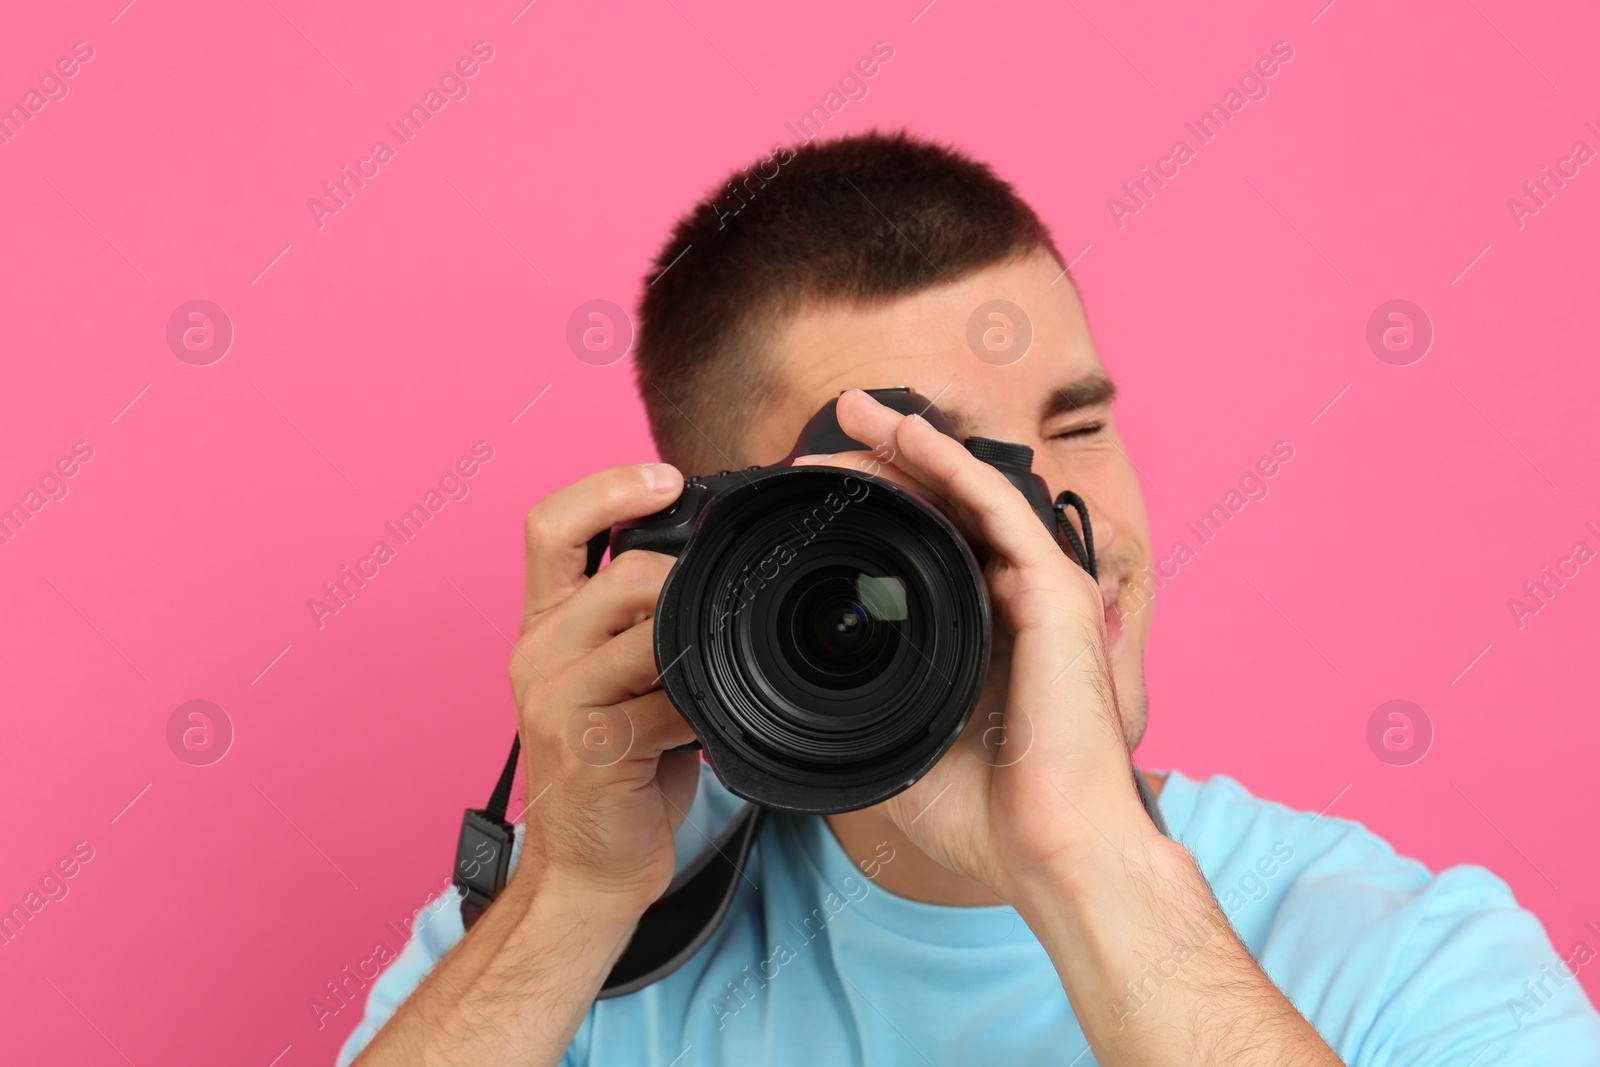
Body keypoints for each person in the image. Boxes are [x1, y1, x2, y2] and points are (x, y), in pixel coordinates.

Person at [338, 131, 1600, 1065]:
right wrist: (566, 896)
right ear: (727, 557)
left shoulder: (1412, 958)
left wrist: (1092, 864)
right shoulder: (562, 956)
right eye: (922, 468)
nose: (1050, 524)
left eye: (1079, 424)